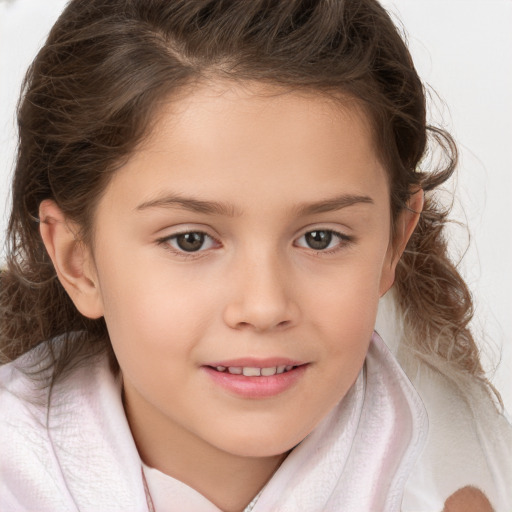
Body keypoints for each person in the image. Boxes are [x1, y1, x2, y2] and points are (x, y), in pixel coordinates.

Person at [0, 0, 510, 510]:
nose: (264, 307)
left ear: (392, 245)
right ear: (77, 260)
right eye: (190, 240)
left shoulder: (454, 484)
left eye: (320, 238)